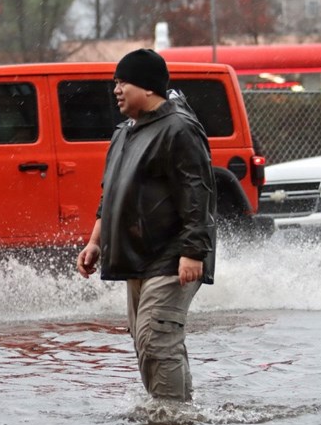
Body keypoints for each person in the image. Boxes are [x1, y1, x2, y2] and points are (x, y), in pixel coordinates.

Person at [76, 48, 216, 401]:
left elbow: (197, 192)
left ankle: (171, 419)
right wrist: (95, 242)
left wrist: (193, 252)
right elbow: (110, 193)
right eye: (115, 83)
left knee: (156, 337)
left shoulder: (179, 128)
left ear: (148, 87)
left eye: (123, 82)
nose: (116, 90)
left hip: (173, 255)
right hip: (137, 256)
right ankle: (177, 411)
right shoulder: (124, 132)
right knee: (145, 339)